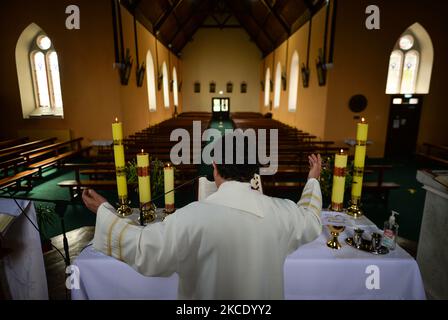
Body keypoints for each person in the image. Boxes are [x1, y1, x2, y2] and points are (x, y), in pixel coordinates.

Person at [83, 135, 322, 300]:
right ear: (254, 172)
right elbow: (309, 218)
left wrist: (105, 212)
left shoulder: (191, 217)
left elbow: (144, 248)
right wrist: (313, 179)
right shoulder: (282, 212)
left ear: (215, 166)